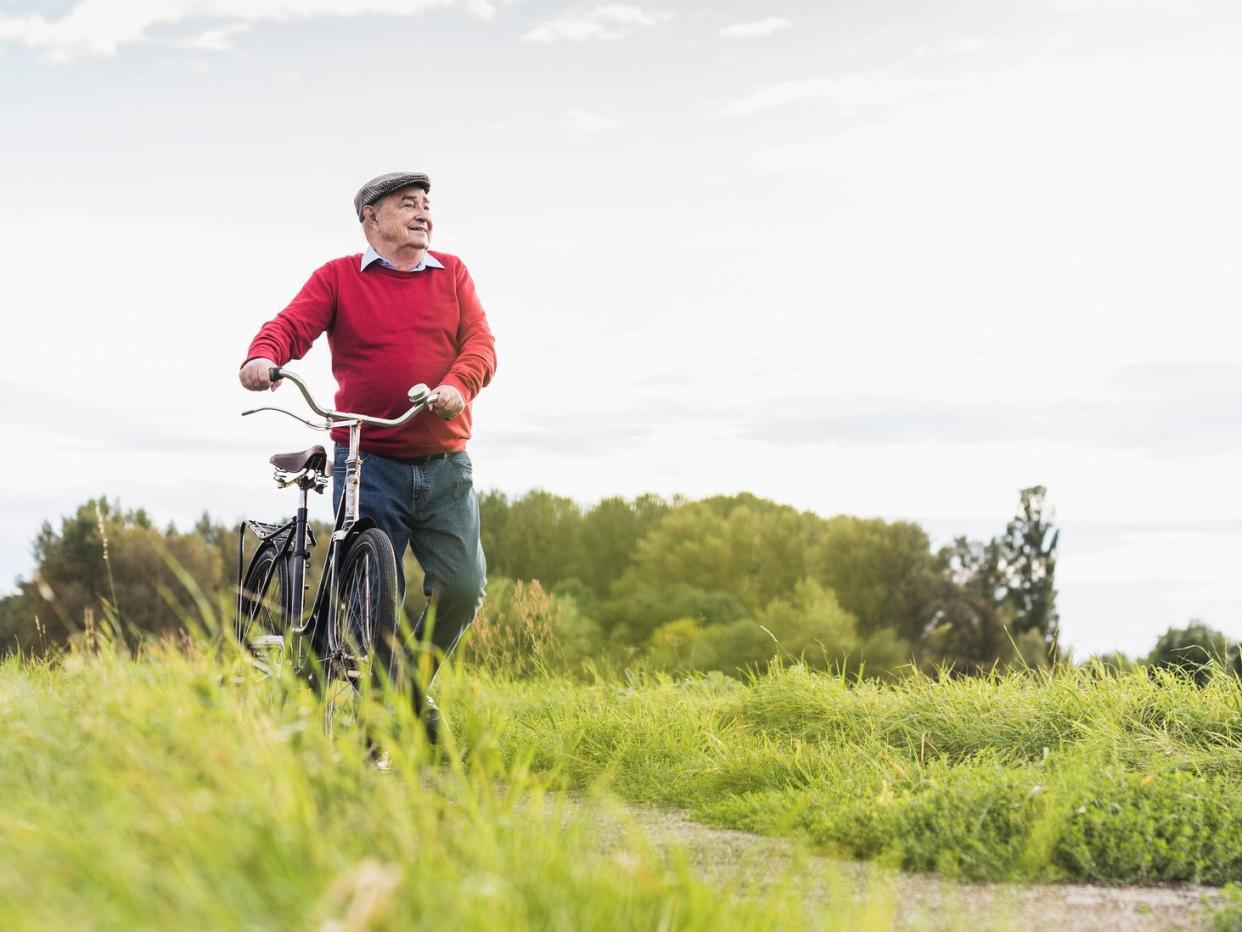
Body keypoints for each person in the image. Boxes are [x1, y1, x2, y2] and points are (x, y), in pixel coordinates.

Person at [239, 171, 496, 740]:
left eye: (427, 205)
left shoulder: (452, 274)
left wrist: (459, 384)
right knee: (375, 596)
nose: (423, 213)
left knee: (462, 587)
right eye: (408, 205)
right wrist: (263, 358)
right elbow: (290, 326)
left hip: (444, 464)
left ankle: (405, 691)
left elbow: (480, 343)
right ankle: (390, 713)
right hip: (368, 462)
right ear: (372, 217)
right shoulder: (337, 278)